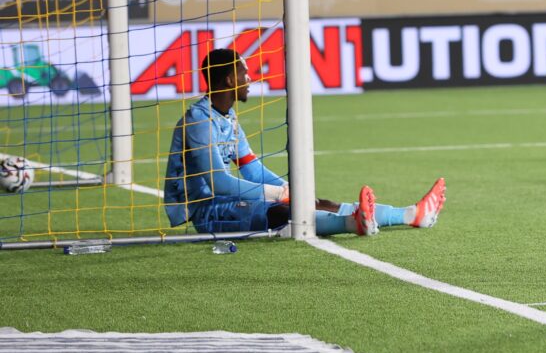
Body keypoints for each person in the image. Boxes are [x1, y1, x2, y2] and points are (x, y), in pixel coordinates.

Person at [163, 49, 446, 236]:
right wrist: (278, 194)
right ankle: (353, 223)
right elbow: (218, 184)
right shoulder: (198, 121)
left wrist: (290, 189)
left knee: (313, 201)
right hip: (209, 213)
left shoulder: (228, 118)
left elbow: (251, 168)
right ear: (229, 79)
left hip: (230, 203)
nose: (249, 78)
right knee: (283, 210)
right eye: (243, 72)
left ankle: (411, 214)